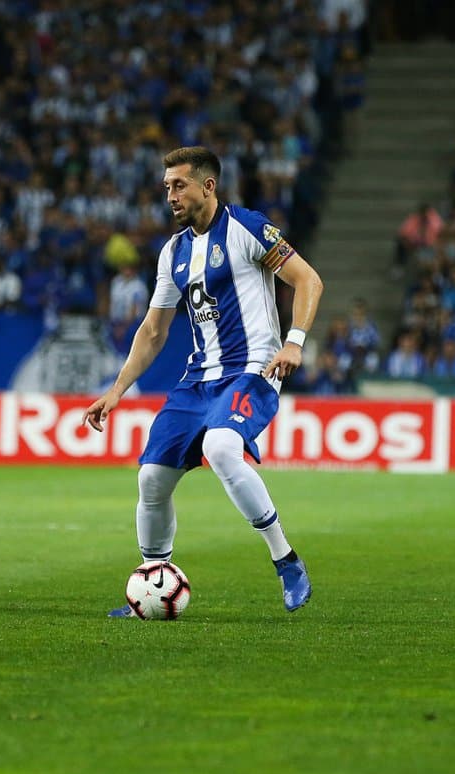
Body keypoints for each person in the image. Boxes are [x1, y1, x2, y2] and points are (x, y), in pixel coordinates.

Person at [85, 147, 324, 616]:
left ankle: (287, 561)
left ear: (208, 186)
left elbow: (308, 280)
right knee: (152, 478)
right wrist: (116, 391)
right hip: (198, 379)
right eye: (167, 187)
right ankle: (153, 583)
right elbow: (153, 331)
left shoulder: (247, 228)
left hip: (254, 368)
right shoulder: (173, 252)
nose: (171, 196)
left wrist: (294, 342)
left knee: (221, 447)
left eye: (180, 185)